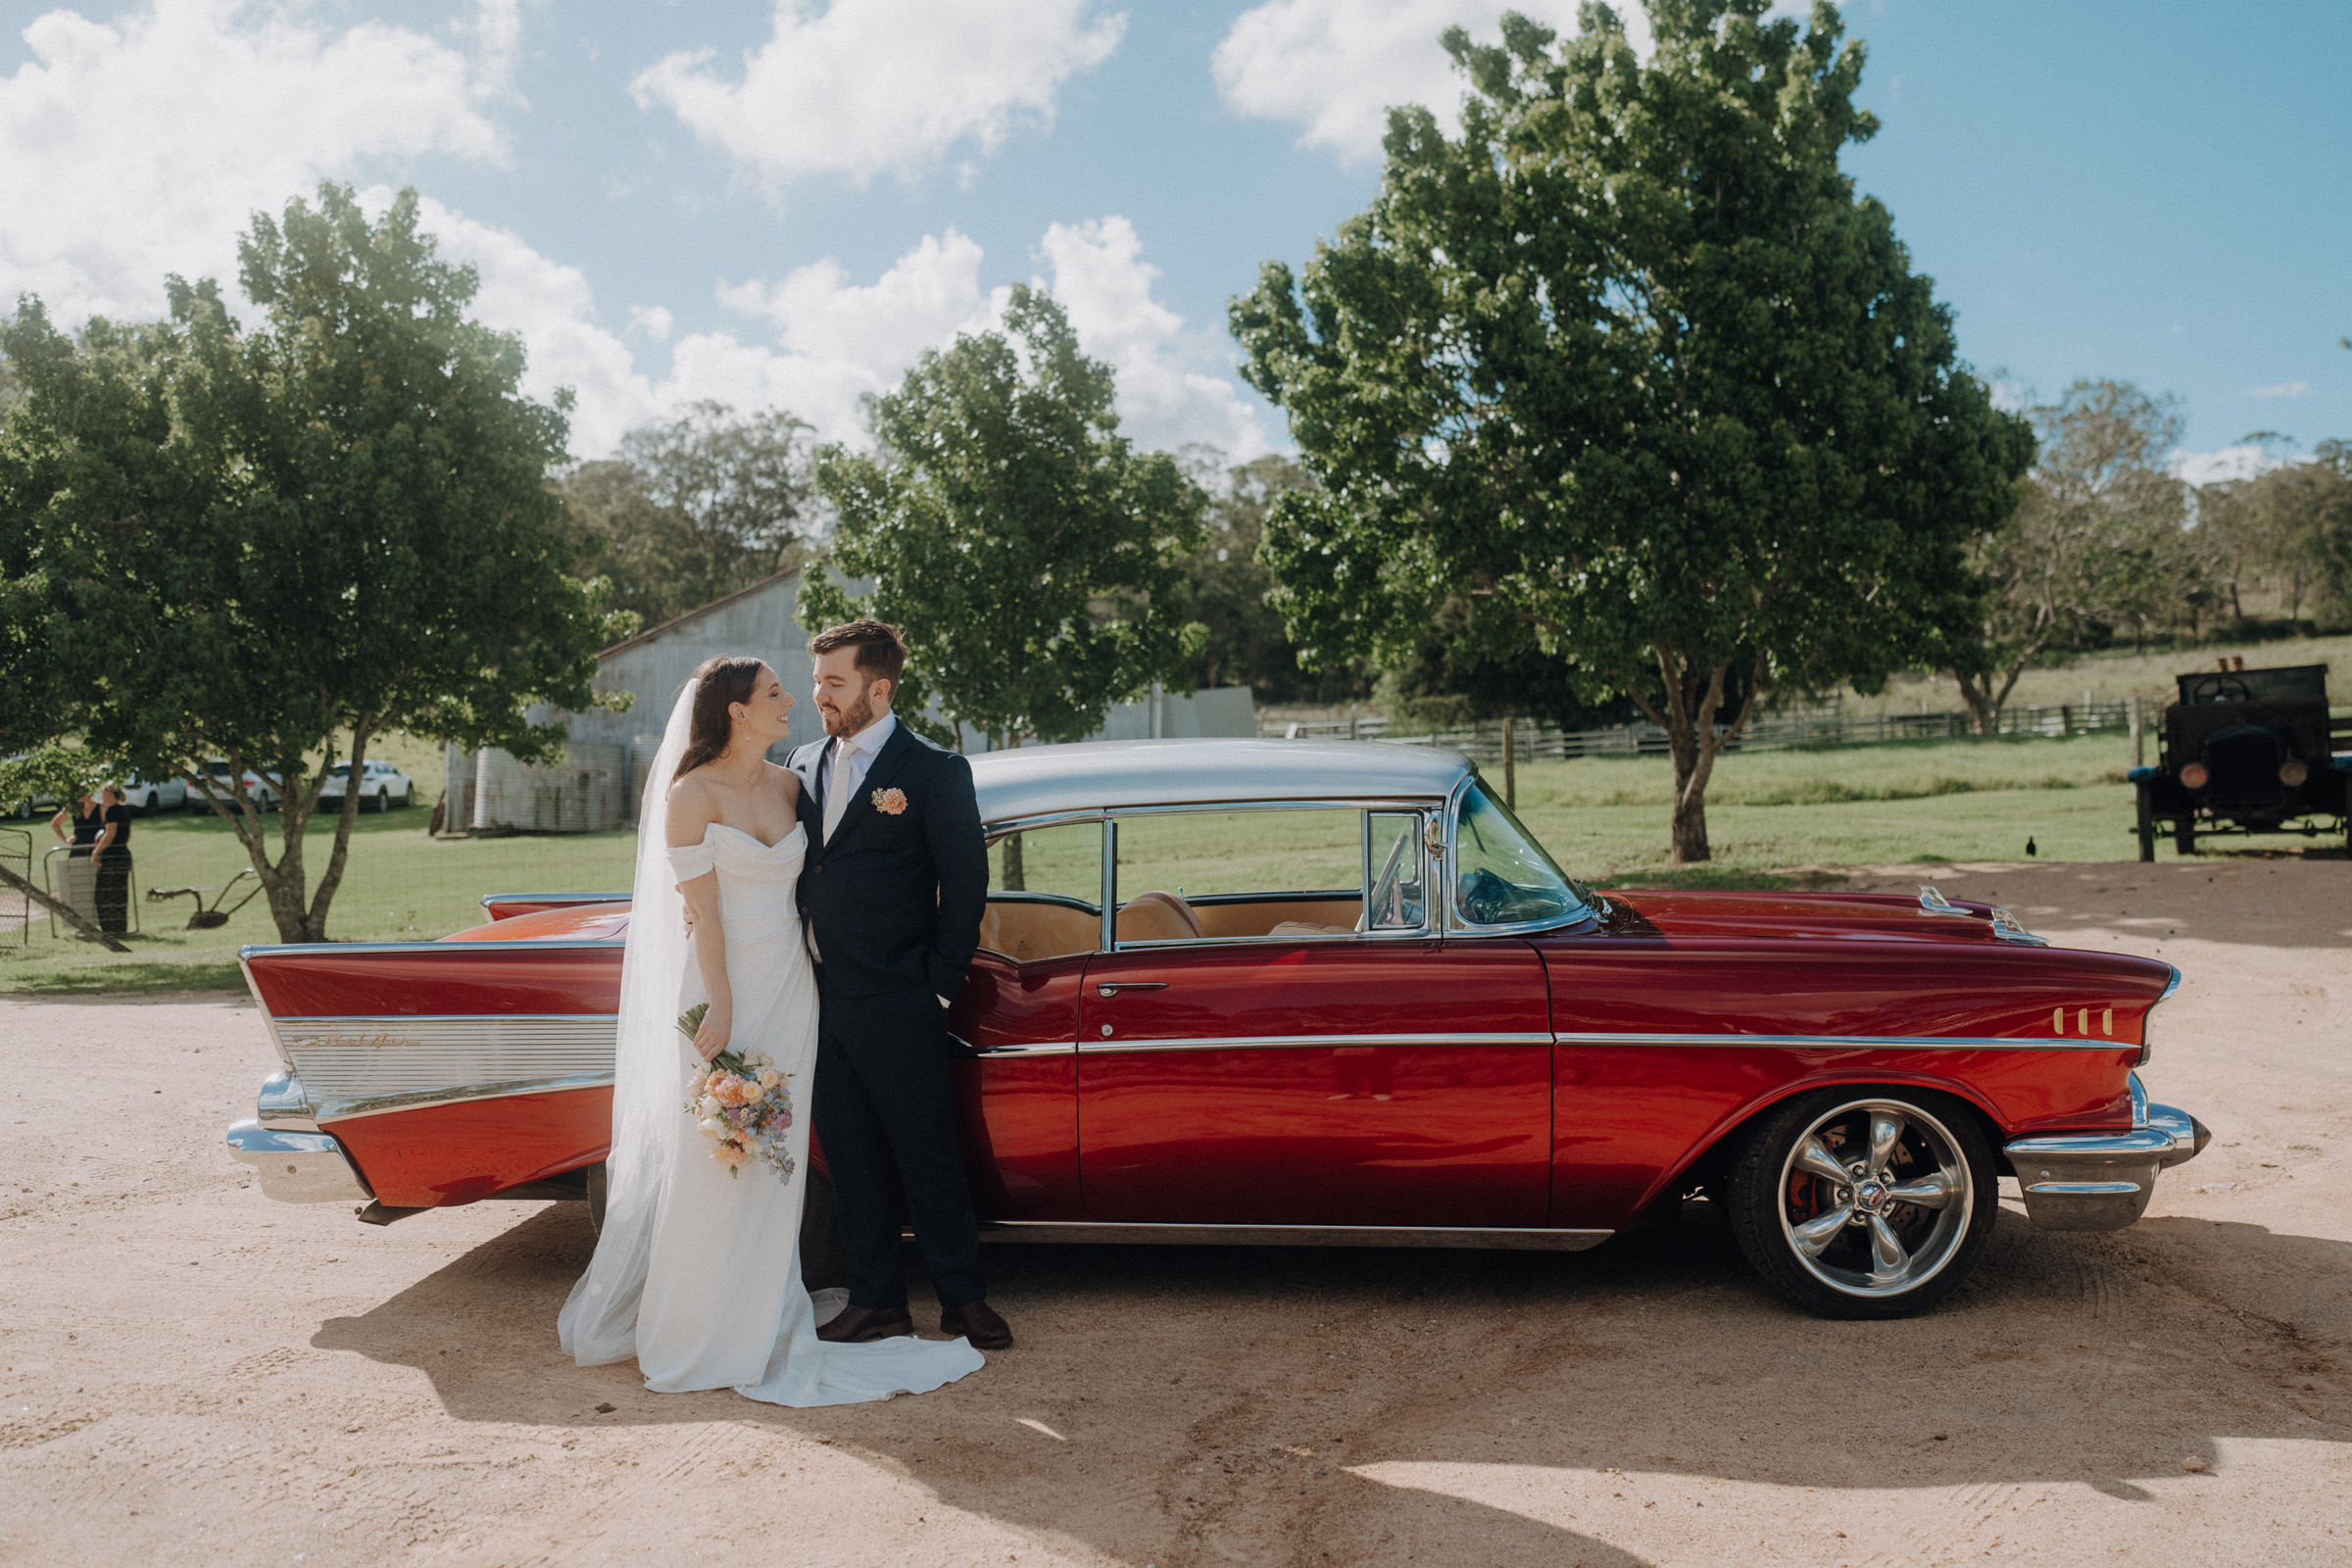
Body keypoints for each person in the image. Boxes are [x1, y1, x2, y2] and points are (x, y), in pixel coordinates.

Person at [558, 656, 984, 1406]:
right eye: (780, 691)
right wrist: (717, 1000)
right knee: (720, 1152)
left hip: (796, 988)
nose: (800, 698)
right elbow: (706, 911)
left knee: (782, 1150)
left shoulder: (794, 781)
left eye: (817, 684)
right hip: (725, 988)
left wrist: (929, 980)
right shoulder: (697, 792)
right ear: (735, 711)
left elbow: (858, 875)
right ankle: (705, 1323)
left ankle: (785, 1307)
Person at [787, 619, 1011, 1350]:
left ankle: (963, 1298)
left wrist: (936, 988)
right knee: (850, 1157)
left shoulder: (933, 770)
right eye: (819, 680)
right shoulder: (802, 761)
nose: (818, 694)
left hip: (900, 997)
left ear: (879, 689)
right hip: (819, 998)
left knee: (928, 1153)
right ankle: (877, 1299)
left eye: (835, 683)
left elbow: (965, 883)